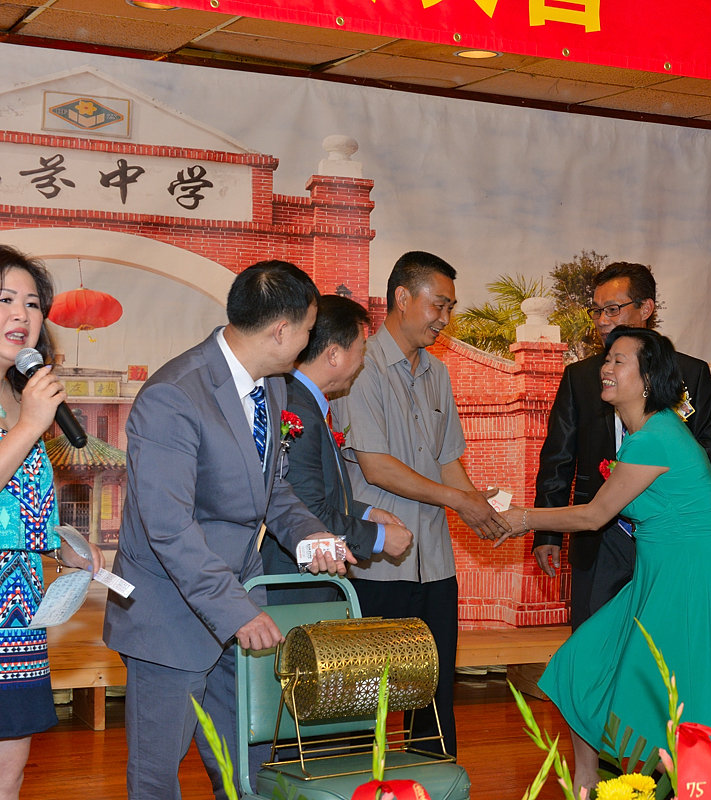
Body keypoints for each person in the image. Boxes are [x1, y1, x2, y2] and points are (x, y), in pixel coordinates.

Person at [103, 260, 355, 800]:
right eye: (309, 329)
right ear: (281, 331)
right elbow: (168, 527)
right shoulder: (174, 395)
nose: (310, 341)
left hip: (241, 605)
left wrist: (309, 535)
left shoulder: (273, 388)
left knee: (248, 764)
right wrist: (235, 610)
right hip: (170, 615)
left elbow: (273, 490)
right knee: (157, 776)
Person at [498, 326, 711, 797]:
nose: (605, 368)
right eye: (607, 359)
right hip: (659, 580)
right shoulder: (652, 432)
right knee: (580, 667)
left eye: (618, 361)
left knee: (678, 734)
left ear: (648, 378)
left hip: (679, 588)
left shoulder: (656, 438)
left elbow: (594, 515)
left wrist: (522, 519)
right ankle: (586, 784)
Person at [335, 250, 507, 756]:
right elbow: (377, 467)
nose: (445, 319)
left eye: (451, 307)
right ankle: (358, 786)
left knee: (434, 696)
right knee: (364, 699)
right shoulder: (360, 365)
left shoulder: (438, 373)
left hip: (433, 561)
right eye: (439, 305)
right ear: (402, 297)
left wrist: (480, 508)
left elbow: (447, 459)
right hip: (377, 562)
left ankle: (436, 782)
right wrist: (459, 501)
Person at [532, 262, 711, 629]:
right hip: (600, 536)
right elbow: (558, 458)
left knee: (662, 641)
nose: (602, 320)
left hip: (665, 532)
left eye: (612, 309)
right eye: (596, 311)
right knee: (595, 639)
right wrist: (547, 533)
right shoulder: (583, 377)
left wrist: (658, 467)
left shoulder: (690, 373)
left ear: (646, 308)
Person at [0, 246, 104, 800]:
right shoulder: (30, 413)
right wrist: (30, 425)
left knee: (10, 771)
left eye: (32, 303)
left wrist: (64, 547)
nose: (21, 315)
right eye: (4, 299)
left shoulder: (20, 398)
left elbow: (19, 505)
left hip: (16, 612)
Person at [260, 294, 413, 605]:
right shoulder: (298, 412)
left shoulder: (304, 403)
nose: (362, 361)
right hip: (294, 589)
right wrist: (380, 537)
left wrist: (367, 512)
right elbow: (307, 511)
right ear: (333, 354)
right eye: (361, 349)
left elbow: (314, 492)